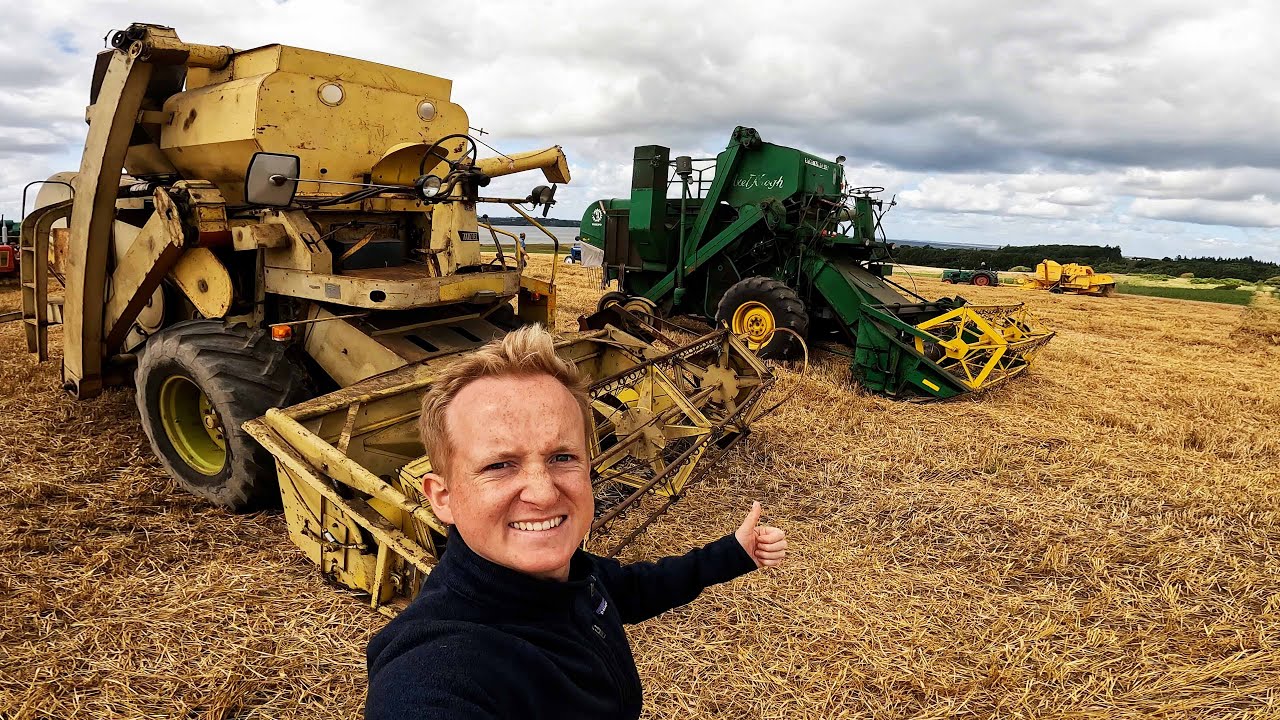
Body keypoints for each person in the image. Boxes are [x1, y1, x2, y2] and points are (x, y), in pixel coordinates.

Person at [365, 325, 787, 719]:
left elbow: (639, 587)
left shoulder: (574, 578)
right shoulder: (433, 675)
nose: (544, 492)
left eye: (562, 457)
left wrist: (734, 552)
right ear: (443, 497)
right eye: (499, 465)